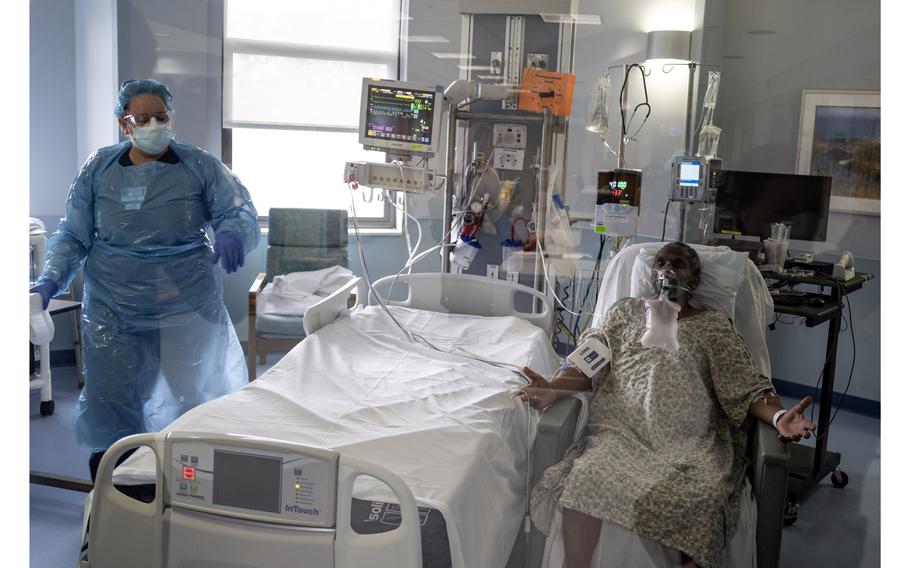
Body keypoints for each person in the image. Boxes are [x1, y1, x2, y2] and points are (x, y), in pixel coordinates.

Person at [518, 242, 816, 568]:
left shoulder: (712, 326)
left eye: (678, 263)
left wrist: (779, 417)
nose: (667, 270)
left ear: (696, 282)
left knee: (704, 500)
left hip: (693, 444)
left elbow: (747, 385)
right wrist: (555, 387)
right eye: (660, 262)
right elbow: (589, 362)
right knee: (586, 477)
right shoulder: (624, 313)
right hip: (622, 434)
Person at [30, 78, 260, 481]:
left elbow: (237, 209)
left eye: (161, 116)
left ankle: (190, 488)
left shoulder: (199, 165)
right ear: (125, 124)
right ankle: (114, 492)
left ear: (171, 116)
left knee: (193, 395)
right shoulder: (98, 168)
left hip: (186, 302)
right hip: (114, 309)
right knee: (113, 399)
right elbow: (73, 233)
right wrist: (51, 279)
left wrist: (231, 233)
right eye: (143, 118)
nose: (154, 124)